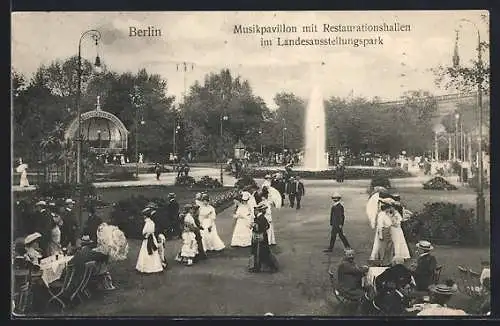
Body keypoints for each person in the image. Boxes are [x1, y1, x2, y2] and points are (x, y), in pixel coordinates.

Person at [249, 202, 278, 273]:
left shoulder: (260, 218)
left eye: (255, 210)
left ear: (257, 211)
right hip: (262, 237)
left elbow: (259, 228)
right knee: (262, 252)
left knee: (260, 253)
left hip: (259, 238)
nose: (254, 212)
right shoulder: (261, 217)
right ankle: (258, 267)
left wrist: (254, 226)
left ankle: (261, 267)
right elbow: (267, 226)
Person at [135, 208, 163, 273]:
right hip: (152, 238)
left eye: (144, 215)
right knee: (153, 252)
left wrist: (145, 234)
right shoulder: (152, 222)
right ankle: (154, 267)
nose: (143, 217)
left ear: (146, 216)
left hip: (148, 239)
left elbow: (144, 231)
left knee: (146, 252)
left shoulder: (147, 223)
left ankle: (147, 268)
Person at [369, 198, 396, 266]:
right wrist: (381, 235)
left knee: (389, 247)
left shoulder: (386, 214)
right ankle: (382, 262)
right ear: (386, 208)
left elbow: (390, 222)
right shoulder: (381, 215)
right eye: (389, 208)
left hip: (388, 232)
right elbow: (380, 225)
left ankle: (388, 261)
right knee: (383, 248)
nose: (390, 209)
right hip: (384, 232)